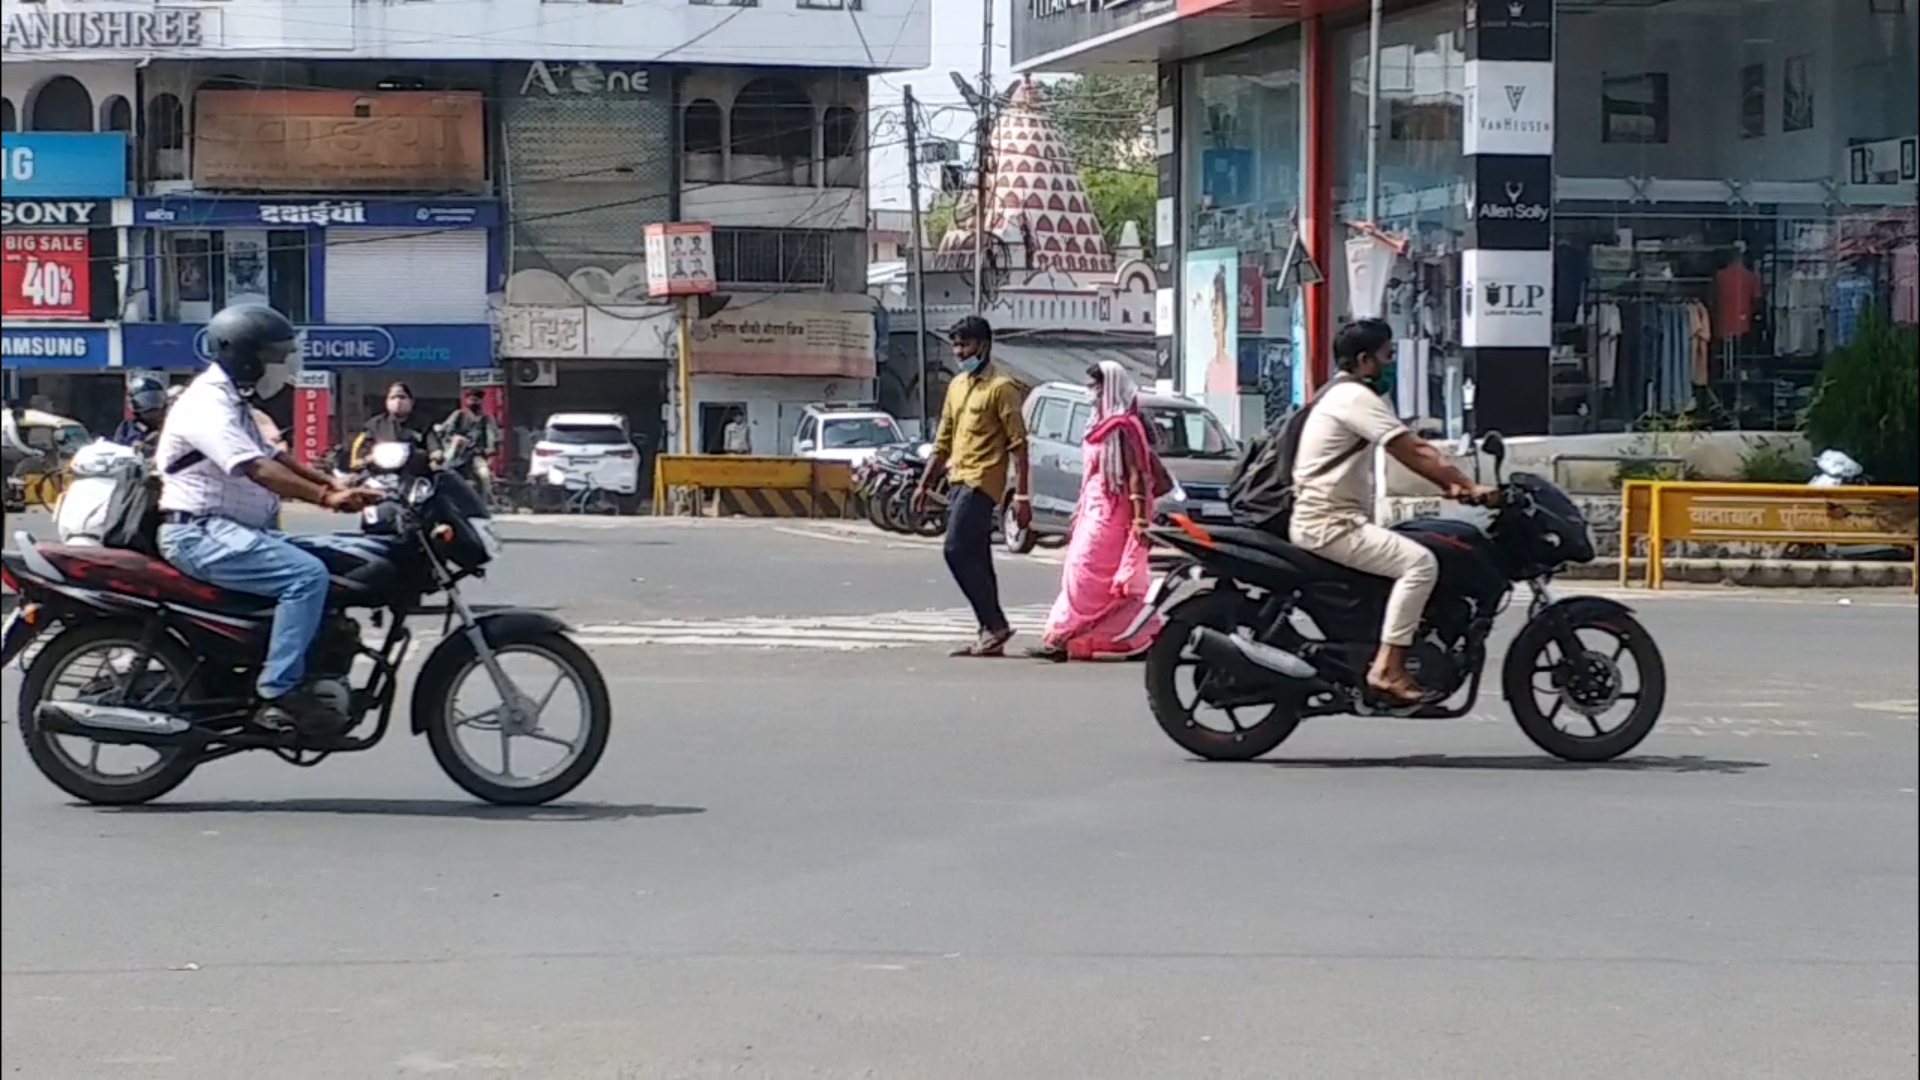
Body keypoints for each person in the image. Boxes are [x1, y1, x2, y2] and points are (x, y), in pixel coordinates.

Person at [155, 304, 385, 737]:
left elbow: (276, 456)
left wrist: (340, 484)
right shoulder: (208, 403)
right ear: (245, 356)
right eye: (274, 355)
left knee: (338, 555)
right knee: (306, 577)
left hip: (228, 530)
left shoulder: (232, 400)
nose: (282, 365)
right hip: (198, 532)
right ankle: (278, 691)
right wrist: (327, 498)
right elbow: (256, 469)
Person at [1290, 318, 1493, 704]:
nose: (1391, 364)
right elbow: (1411, 449)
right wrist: (1466, 486)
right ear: (1365, 360)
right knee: (1421, 564)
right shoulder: (1355, 399)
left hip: (1332, 519)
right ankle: (1387, 667)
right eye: (1388, 356)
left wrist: (1451, 484)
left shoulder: (1336, 394)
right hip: (1330, 524)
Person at [1027, 361, 1162, 662]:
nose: (1092, 393)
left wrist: (1140, 519)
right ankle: (1066, 636)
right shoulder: (1097, 424)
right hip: (1092, 507)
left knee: (1090, 577)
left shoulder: (1125, 426)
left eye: (1097, 387)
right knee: (1076, 573)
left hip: (1114, 513)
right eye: (1090, 386)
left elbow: (1137, 472)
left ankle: (1122, 633)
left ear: (1110, 387)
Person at [914, 315, 1031, 658]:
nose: (959, 351)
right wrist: (925, 483)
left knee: (954, 550)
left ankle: (994, 624)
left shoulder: (1002, 387)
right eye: (956, 344)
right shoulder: (957, 386)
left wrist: (1022, 495)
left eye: (965, 344)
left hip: (983, 482)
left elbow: (1019, 445)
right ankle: (990, 629)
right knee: (978, 556)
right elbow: (944, 440)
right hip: (957, 477)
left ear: (983, 345)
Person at [351, 381, 432, 470]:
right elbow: (359, 452)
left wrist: (435, 454)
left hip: (413, 475)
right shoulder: (373, 424)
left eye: (402, 397)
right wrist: (366, 459)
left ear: (411, 401)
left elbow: (434, 446)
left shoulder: (423, 424)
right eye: (393, 398)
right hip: (377, 475)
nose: (398, 401)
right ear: (387, 402)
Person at [437, 388, 499, 503]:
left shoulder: (486, 418)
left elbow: (492, 436)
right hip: (456, 452)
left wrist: (490, 451)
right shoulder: (458, 415)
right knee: (442, 472)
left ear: (481, 401)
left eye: (476, 400)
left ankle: (485, 501)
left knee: (484, 475)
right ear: (466, 400)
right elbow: (445, 430)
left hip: (476, 454)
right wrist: (455, 439)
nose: (473, 402)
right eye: (471, 399)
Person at [111, 376, 170, 454]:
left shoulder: (170, 426)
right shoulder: (126, 428)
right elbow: (116, 451)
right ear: (134, 404)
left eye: (156, 399)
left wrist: (148, 448)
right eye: (145, 401)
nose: (153, 408)